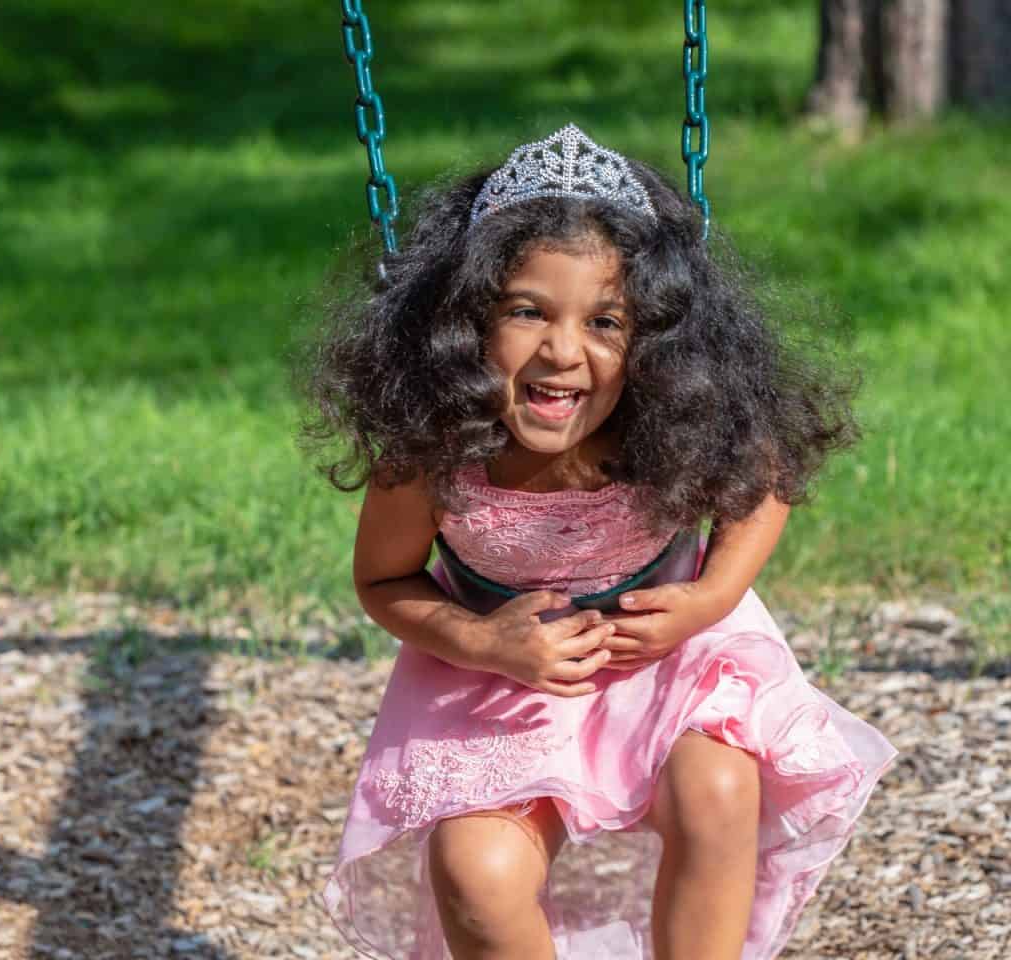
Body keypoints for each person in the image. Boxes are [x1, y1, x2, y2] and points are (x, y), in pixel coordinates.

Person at [304, 124, 898, 960]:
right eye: (526, 311)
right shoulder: (436, 448)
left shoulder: (668, 421)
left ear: (653, 340)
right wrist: (479, 637)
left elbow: (767, 483)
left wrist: (711, 596)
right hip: (499, 679)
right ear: (464, 320)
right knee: (475, 871)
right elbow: (383, 580)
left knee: (719, 788)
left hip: (667, 665)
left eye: (606, 321)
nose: (563, 350)